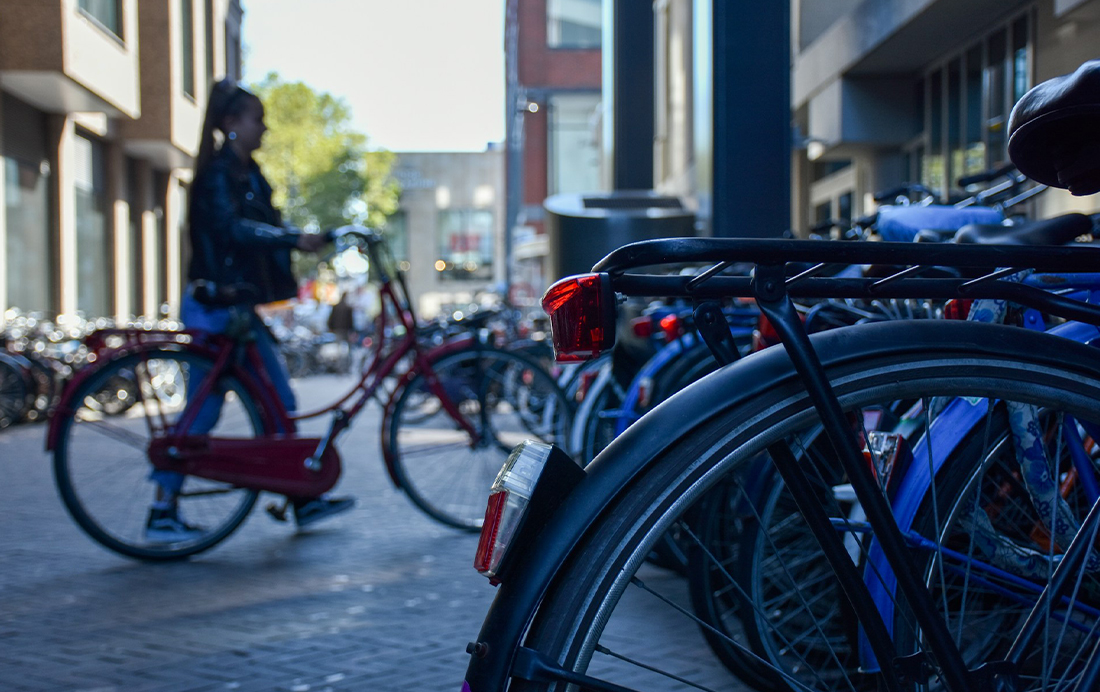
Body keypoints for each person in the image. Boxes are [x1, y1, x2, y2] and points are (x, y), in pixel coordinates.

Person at [146, 78, 354, 541]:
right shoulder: (218, 175)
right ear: (231, 124)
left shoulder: (248, 173)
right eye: (257, 119)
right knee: (203, 410)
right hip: (215, 307)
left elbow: (265, 225)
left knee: (280, 401)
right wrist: (291, 238)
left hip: (237, 307)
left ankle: (301, 495)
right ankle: (161, 510)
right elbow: (231, 229)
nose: (265, 128)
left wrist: (300, 237)